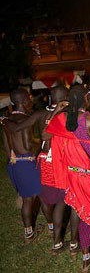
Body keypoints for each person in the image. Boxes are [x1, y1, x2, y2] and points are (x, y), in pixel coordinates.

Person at [44, 85, 90, 271]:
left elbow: (45, 135)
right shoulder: (89, 120)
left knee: (83, 215)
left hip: (73, 176)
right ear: (86, 99)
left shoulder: (62, 119)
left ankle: (86, 258)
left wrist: (56, 111)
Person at [5, 85, 72, 254]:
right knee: (53, 199)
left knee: (36, 197)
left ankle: (39, 230)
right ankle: (55, 231)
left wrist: (5, 119)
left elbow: (11, 136)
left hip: (27, 162)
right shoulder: (62, 114)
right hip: (44, 161)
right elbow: (35, 140)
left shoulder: (27, 116)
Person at [1, 89, 42, 244]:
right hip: (27, 161)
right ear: (25, 101)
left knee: (26, 198)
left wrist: (12, 157)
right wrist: (41, 142)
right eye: (30, 97)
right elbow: (27, 144)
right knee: (33, 199)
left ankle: (29, 232)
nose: (32, 100)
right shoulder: (26, 119)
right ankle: (49, 229)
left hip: (14, 163)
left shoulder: (7, 120)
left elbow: (6, 144)